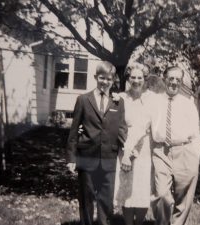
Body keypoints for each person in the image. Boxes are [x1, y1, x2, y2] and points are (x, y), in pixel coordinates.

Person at [66, 61, 127, 225]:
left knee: (106, 200)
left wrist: (126, 152)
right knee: (86, 198)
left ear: (113, 80)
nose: (105, 82)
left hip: (109, 158)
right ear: (95, 77)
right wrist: (71, 158)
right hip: (86, 157)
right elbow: (73, 132)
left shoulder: (118, 102)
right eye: (102, 78)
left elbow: (122, 129)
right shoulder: (83, 99)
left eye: (108, 79)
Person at [151, 66, 200, 225]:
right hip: (161, 151)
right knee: (161, 194)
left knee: (184, 198)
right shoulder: (153, 100)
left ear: (181, 83)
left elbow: (195, 131)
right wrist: (119, 96)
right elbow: (133, 97)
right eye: (171, 78)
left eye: (178, 80)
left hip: (185, 151)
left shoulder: (188, 104)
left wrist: (196, 154)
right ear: (164, 79)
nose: (174, 82)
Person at [113, 65, 157, 225]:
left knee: (141, 187)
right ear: (128, 78)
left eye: (140, 77)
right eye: (133, 77)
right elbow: (113, 123)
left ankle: (138, 223)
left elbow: (143, 126)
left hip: (142, 147)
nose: (136, 81)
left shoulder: (152, 99)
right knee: (126, 188)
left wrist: (128, 152)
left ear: (145, 79)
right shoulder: (120, 98)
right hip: (124, 145)